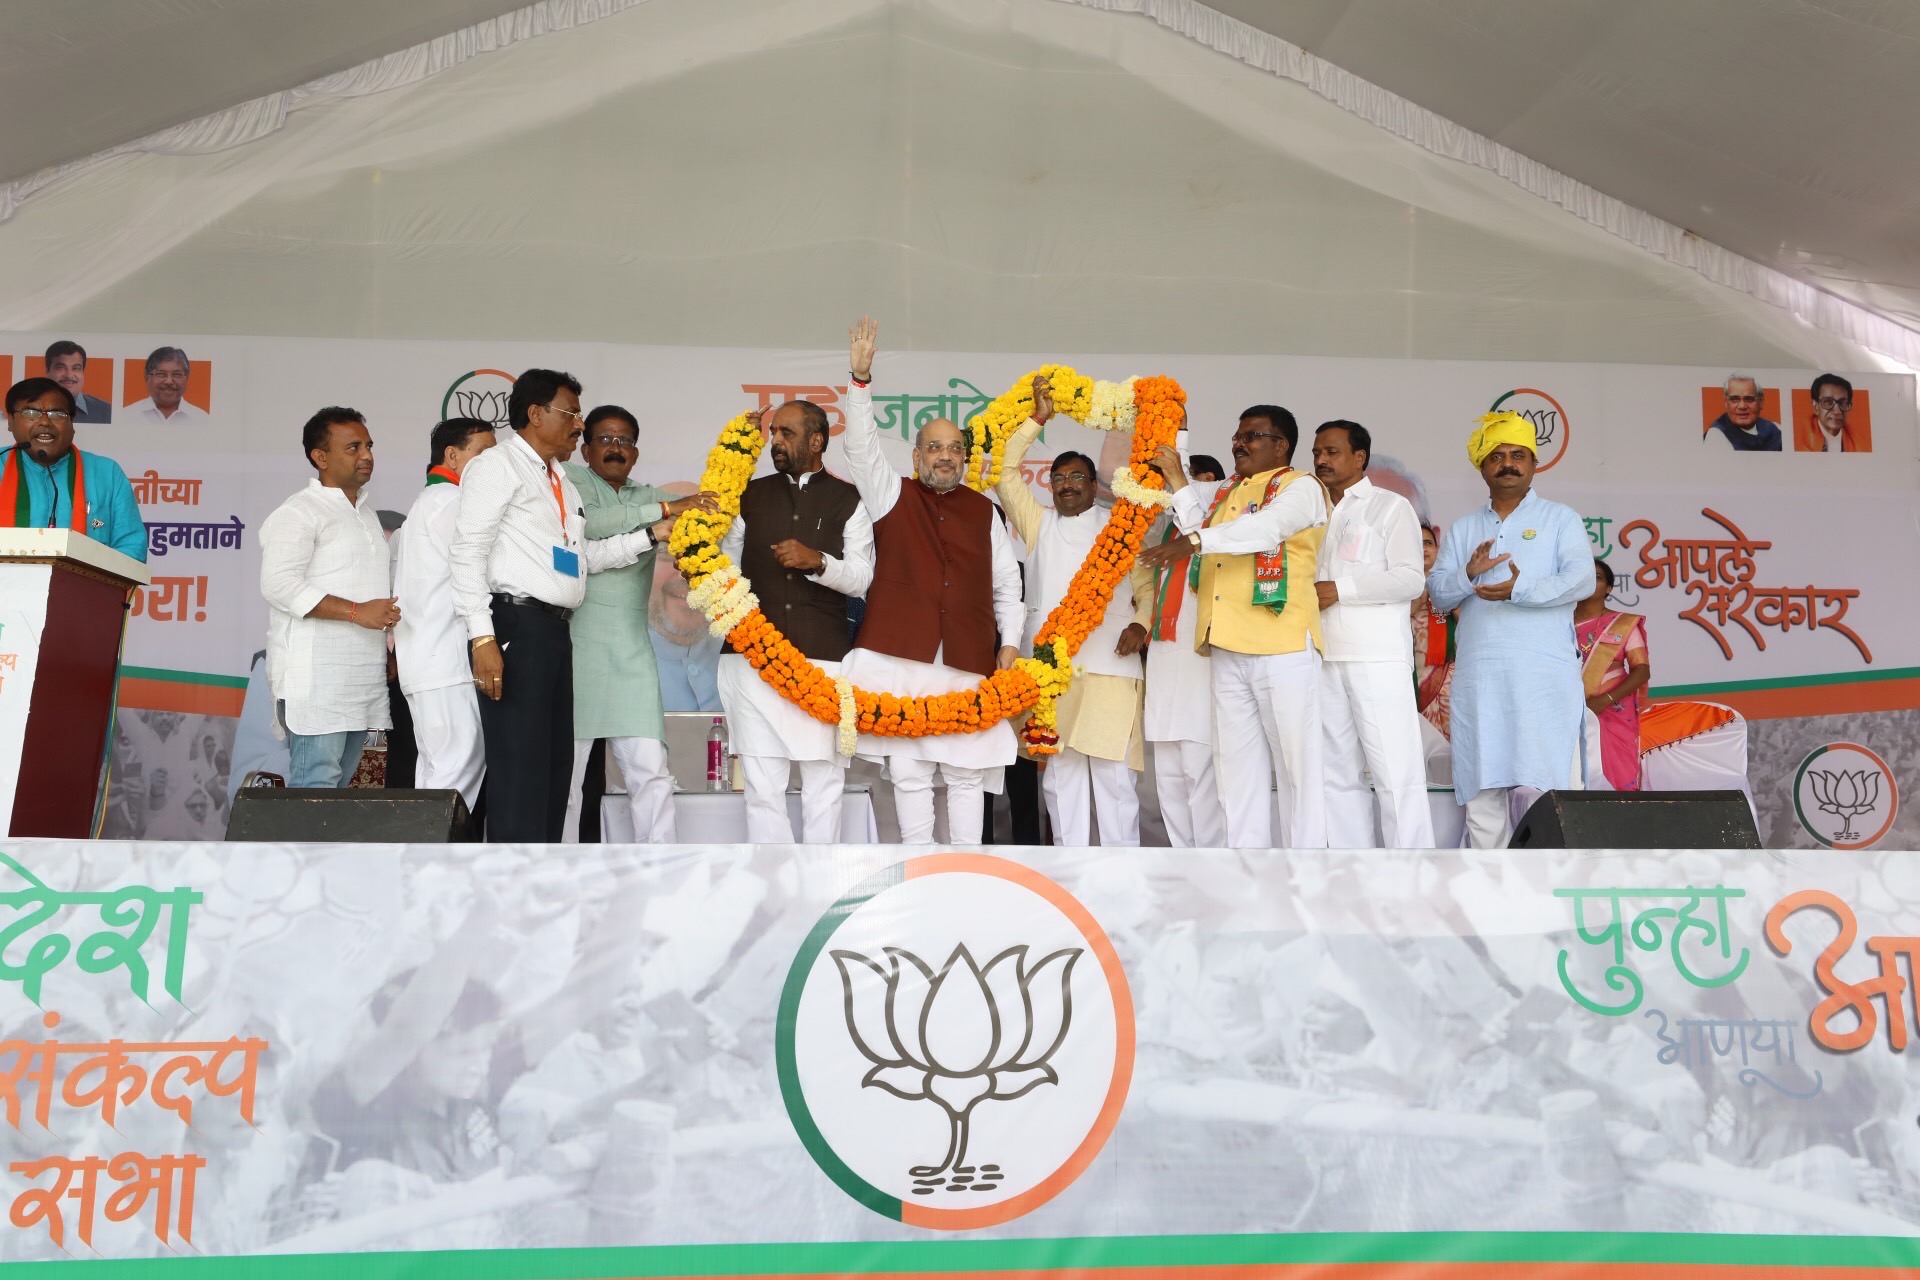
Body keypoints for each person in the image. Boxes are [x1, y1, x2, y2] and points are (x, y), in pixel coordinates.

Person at [448, 370, 709, 842]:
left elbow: (582, 559)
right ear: (535, 414)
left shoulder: (559, 483)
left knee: (553, 769)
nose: (576, 425)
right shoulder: (497, 466)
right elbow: (467, 553)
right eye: (570, 414)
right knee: (521, 769)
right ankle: (512, 884)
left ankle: (551, 878)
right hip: (515, 622)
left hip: (555, 632)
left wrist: (650, 536)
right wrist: (481, 636)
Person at [838, 318, 1024, 844]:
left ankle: (966, 872)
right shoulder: (890, 494)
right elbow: (859, 448)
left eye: (955, 449)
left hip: (967, 660)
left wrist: (1009, 646)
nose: (945, 456)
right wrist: (859, 381)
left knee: (966, 774)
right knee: (911, 773)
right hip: (902, 659)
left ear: (964, 457)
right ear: (916, 455)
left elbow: (1008, 589)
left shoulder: (984, 510)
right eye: (934, 447)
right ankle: (919, 872)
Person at [1139, 405, 1329, 850]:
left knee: (1296, 769)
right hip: (1226, 648)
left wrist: (1197, 539)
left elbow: (1265, 530)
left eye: (1252, 436)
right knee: (1235, 772)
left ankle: (1306, 875)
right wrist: (1176, 473)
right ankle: (1246, 872)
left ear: (1280, 445)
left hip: (1281, 647)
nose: (1238, 443)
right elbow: (1195, 524)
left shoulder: (1302, 487)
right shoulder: (1229, 491)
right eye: (1237, 435)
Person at [1427, 412, 1592, 847]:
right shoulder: (1464, 529)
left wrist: (1521, 589)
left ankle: (1559, 892)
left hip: (1544, 677)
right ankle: (1493, 895)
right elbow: (1440, 593)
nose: (1508, 464)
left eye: (1519, 455)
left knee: (1555, 786)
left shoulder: (1561, 519)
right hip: (1482, 679)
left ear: (1534, 465)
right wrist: (1468, 574)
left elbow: (1582, 580)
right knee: (1484, 792)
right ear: (1482, 468)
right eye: (1497, 456)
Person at [717, 398, 873, 843]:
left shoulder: (848, 500)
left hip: (820, 661)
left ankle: (820, 889)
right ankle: (778, 888)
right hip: (751, 660)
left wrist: (818, 561)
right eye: (773, 434)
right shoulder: (749, 496)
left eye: (787, 433)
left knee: (823, 785)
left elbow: (862, 578)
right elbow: (726, 570)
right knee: (762, 787)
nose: (776, 441)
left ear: (818, 440)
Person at [999, 385, 1147, 846]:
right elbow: (1004, 473)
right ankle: (1068, 878)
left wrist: (1142, 625)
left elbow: (1147, 586)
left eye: (1076, 477)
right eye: (1059, 477)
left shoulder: (1120, 526)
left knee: (1114, 780)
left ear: (1092, 485)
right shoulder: (1038, 523)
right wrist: (1036, 421)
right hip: (1050, 673)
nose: (1065, 484)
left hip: (1109, 665)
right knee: (1059, 780)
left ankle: (1124, 878)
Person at [562, 406, 715, 843]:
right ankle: (560, 877)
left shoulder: (644, 495)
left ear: (636, 452)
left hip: (631, 653)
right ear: (585, 446)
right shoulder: (569, 485)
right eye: (606, 440)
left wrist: (691, 545)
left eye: (625, 441)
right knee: (569, 784)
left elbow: (683, 536)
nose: (616, 449)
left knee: (651, 773)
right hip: (577, 649)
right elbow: (591, 525)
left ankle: (662, 872)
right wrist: (662, 514)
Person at [257, 408, 397, 788]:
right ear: (320, 457)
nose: (366, 455)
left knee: (336, 796)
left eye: (368, 445)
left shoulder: (365, 514)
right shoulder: (299, 511)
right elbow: (279, 584)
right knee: (315, 790)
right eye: (353, 447)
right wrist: (356, 612)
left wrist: (387, 649)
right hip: (315, 682)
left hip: (359, 679)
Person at [1311, 420, 1433, 849]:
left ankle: (1413, 867)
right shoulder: (1309, 511)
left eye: (1332, 451)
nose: (1321, 460)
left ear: (1359, 458)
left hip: (1375, 657)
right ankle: (1353, 869)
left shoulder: (1390, 507)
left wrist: (1339, 589)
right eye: (1317, 452)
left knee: (1394, 769)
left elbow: (1408, 580)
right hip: (1322, 656)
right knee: (1336, 772)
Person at [394, 417, 497, 809]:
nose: (492, 464)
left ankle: (424, 864)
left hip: (431, 661)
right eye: (483, 454)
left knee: (438, 773)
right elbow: (485, 568)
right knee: (456, 771)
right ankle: (435, 866)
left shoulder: (431, 503)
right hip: (445, 663)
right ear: (452, 456)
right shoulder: (450, 503)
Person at [1127, 494, 1224, 850]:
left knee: (1201, 772)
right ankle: (1184, 860)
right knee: (1168, 777)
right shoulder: (1165, 534)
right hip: (1166, 661)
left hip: (1202, 663)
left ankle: (1212, 863)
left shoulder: (1219, 531)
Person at [2, 376, 146, 560]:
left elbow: (132, 547)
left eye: (57, 414)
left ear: (72, 424)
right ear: (10, 421)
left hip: (86, 587)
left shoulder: (107, 473)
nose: (45, 422)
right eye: (31, 413)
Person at [1575, 558, 1650, 791]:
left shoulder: (1623, 623)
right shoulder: (1558, 623)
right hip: (1566, 712)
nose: (1589, 581)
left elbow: (1642, 671)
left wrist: (1605, 700)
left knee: (1616, 775)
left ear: (1608, 588)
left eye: (1597, 577)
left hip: (1612, 710)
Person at [1411, 522, 1456, 779]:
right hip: (1412, 676)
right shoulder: (1396, 585)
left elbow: (1469, 624)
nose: (1423, 548)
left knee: (1453, 746)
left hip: (1449, 679)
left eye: (1428, 543)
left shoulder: (1451, 585)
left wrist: (1445, 595)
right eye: (1415, 543)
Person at [126, 347, 209, 424]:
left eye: (176, 374)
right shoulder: (127, 416)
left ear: (186, 378)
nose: (169, 381)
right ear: (147, 377)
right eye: (161, 374)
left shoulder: (202, 419)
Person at [1704, 373, 1781, 451]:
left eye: (1749, 399)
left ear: (1760, 402)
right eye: (1734, 399)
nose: (1742, 406)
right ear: (1726, 403)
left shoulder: (1776, 429)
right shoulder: (1717, 437)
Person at [43, 341, 111, 424]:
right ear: (47, 371)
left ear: (83, 372)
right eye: (61, 367)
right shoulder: (30, 408)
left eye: (76, 368)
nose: (69, 375)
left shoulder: (105, 412)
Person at [1800, 373, 1866, 453]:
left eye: (1843, 403)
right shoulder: (1800, 439)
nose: (1837, 411)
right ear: (1815, 407)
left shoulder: (1859, 444)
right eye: (1828, 402)